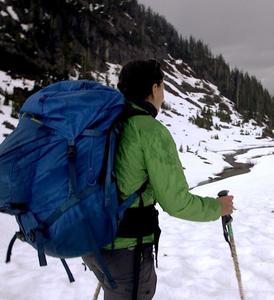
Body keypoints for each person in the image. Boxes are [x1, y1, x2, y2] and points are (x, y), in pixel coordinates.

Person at [82, 59, 234, 299]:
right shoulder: (150, 130)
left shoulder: (107, 122)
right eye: (162, 87)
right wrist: (218, 207)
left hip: (94, 243)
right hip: (127, 249)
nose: (163, 94)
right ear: (154, 89)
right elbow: (176, 203)